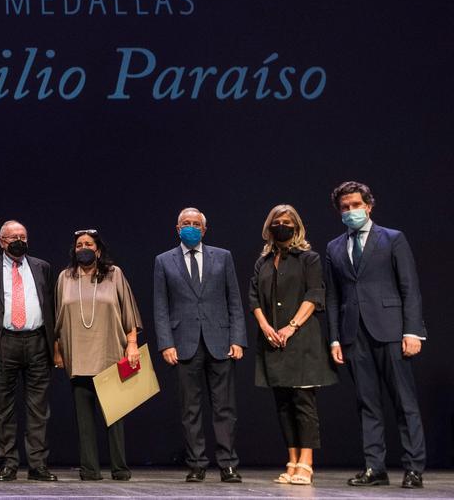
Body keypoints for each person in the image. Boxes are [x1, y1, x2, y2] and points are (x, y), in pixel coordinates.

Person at [324, 181, 427, 489]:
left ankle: (413, 468)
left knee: (404, 401)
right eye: (345, 207)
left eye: (356, 205)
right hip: (354, 333)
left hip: (392, 330)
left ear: (368, 206)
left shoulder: (392, 239)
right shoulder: (334, 247)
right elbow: (332, 297)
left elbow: (409, 288)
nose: (351, 211)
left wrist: (413, 331)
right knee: (367, 404)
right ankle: (375, 467)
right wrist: (334, 338)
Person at [150, 208, 246, 483]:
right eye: (186, 224)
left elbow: (234, 301)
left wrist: (238, 338)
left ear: (204, 230)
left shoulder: (223, 256)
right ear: (177, 228)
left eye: (196, 224)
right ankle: (196, 463)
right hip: (183, 343)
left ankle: (228, 463)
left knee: (224, 407)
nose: (191, 227)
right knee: (189, 408)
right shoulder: (164, 261)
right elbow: (160, 306)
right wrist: (166, 343)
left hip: (220, 341)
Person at [250, 205, 338, 486]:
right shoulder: (262, 262)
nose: (282, 226)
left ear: (297, 227)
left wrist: (291, 326)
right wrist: (265, 327)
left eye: (287, 222)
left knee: (303, 402)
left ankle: (307, 462)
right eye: (277, 222)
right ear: (269, 227)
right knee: (283, 403)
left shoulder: (308, 259)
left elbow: (314, 295)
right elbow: (253, 297)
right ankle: (291, 460)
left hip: (301, 339)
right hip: (272, 339)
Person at [52, 229, 142, 482]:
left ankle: (119, 468)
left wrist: (132, 344)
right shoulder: (65, 277)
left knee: (115, 416)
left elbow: (128, 312)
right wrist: (57, 350)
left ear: (98, 249)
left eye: (88, 244)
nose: (84, 247)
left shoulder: (114, 274)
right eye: (79, 244)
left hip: (109, 353)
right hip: (77, 356)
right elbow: (58, 317)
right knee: (84, 420)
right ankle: (89, 469)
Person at [0, 220, 58, 482]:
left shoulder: (42, 267)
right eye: (13, 237)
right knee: (3, 408)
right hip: (4, 342)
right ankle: (8, 463)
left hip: (36, 341)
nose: (18, 241)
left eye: (22, 236)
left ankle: (38, 464)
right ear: (1, 241)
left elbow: (51, 305)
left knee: (38, 408)